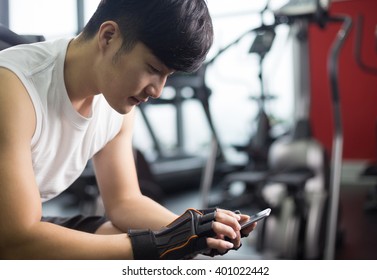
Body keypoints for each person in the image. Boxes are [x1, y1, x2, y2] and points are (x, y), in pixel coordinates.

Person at [0, 0, 256, 259]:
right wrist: (160, 244)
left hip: (21, 228)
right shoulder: (12, 88)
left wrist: (195, 229)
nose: (157, 90)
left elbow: (124, 202)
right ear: (109, 36)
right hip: (12, 235)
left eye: (168, 76)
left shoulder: (115, 105)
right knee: (146, 251)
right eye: (153, 69)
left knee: (139, 245)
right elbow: (15, 240)